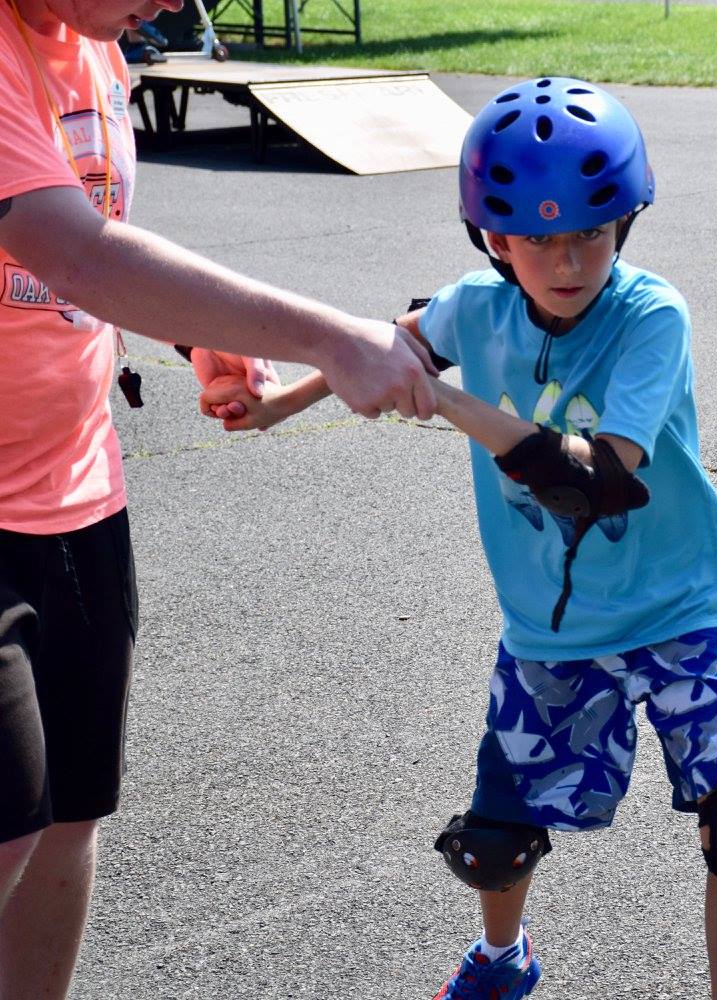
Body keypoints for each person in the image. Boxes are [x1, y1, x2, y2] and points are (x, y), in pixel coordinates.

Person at [201, 77, 717, 1000]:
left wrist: (443, 398)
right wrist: (275, 405)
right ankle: (500, 962)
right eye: (538, 238)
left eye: (591, 234)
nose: (568, 261)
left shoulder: (651, 316)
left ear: (626, 224)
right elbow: (384, 345)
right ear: (493, 238)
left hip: (682, 605)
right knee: (492, 845)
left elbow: (594, 480)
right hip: (552, 631)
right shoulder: (469, 308)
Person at [0, 2, 436, 996]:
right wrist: (330, 337)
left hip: (77, 496)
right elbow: (75, 252)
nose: (169, 5)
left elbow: (99, 230)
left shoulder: (95, 40)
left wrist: (193, 335)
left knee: (69, 821)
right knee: (5, 828)